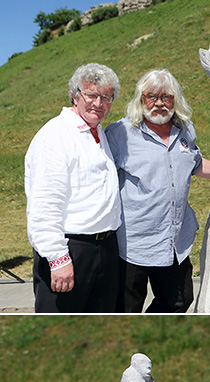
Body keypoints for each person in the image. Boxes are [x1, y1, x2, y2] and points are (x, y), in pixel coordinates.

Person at [106, 69, 210, 313]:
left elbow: (196, 164)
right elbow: (102, 178)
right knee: (126, 309)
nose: (159, 103)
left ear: (175, 100)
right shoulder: (120, 134)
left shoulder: (185, 131)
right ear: (140, 99)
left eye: (166, 97)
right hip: (133, 241)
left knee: (179, 300)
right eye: (152, 96)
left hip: (172, 239)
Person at [25, 63, 121, 313]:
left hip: (105, 249)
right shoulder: (56, 135)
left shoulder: (96, 131)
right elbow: (45, 204)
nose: (98, 103)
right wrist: (58, 259)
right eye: (90, 94)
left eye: (106, 97)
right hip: (71, 251)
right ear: (74, 95)